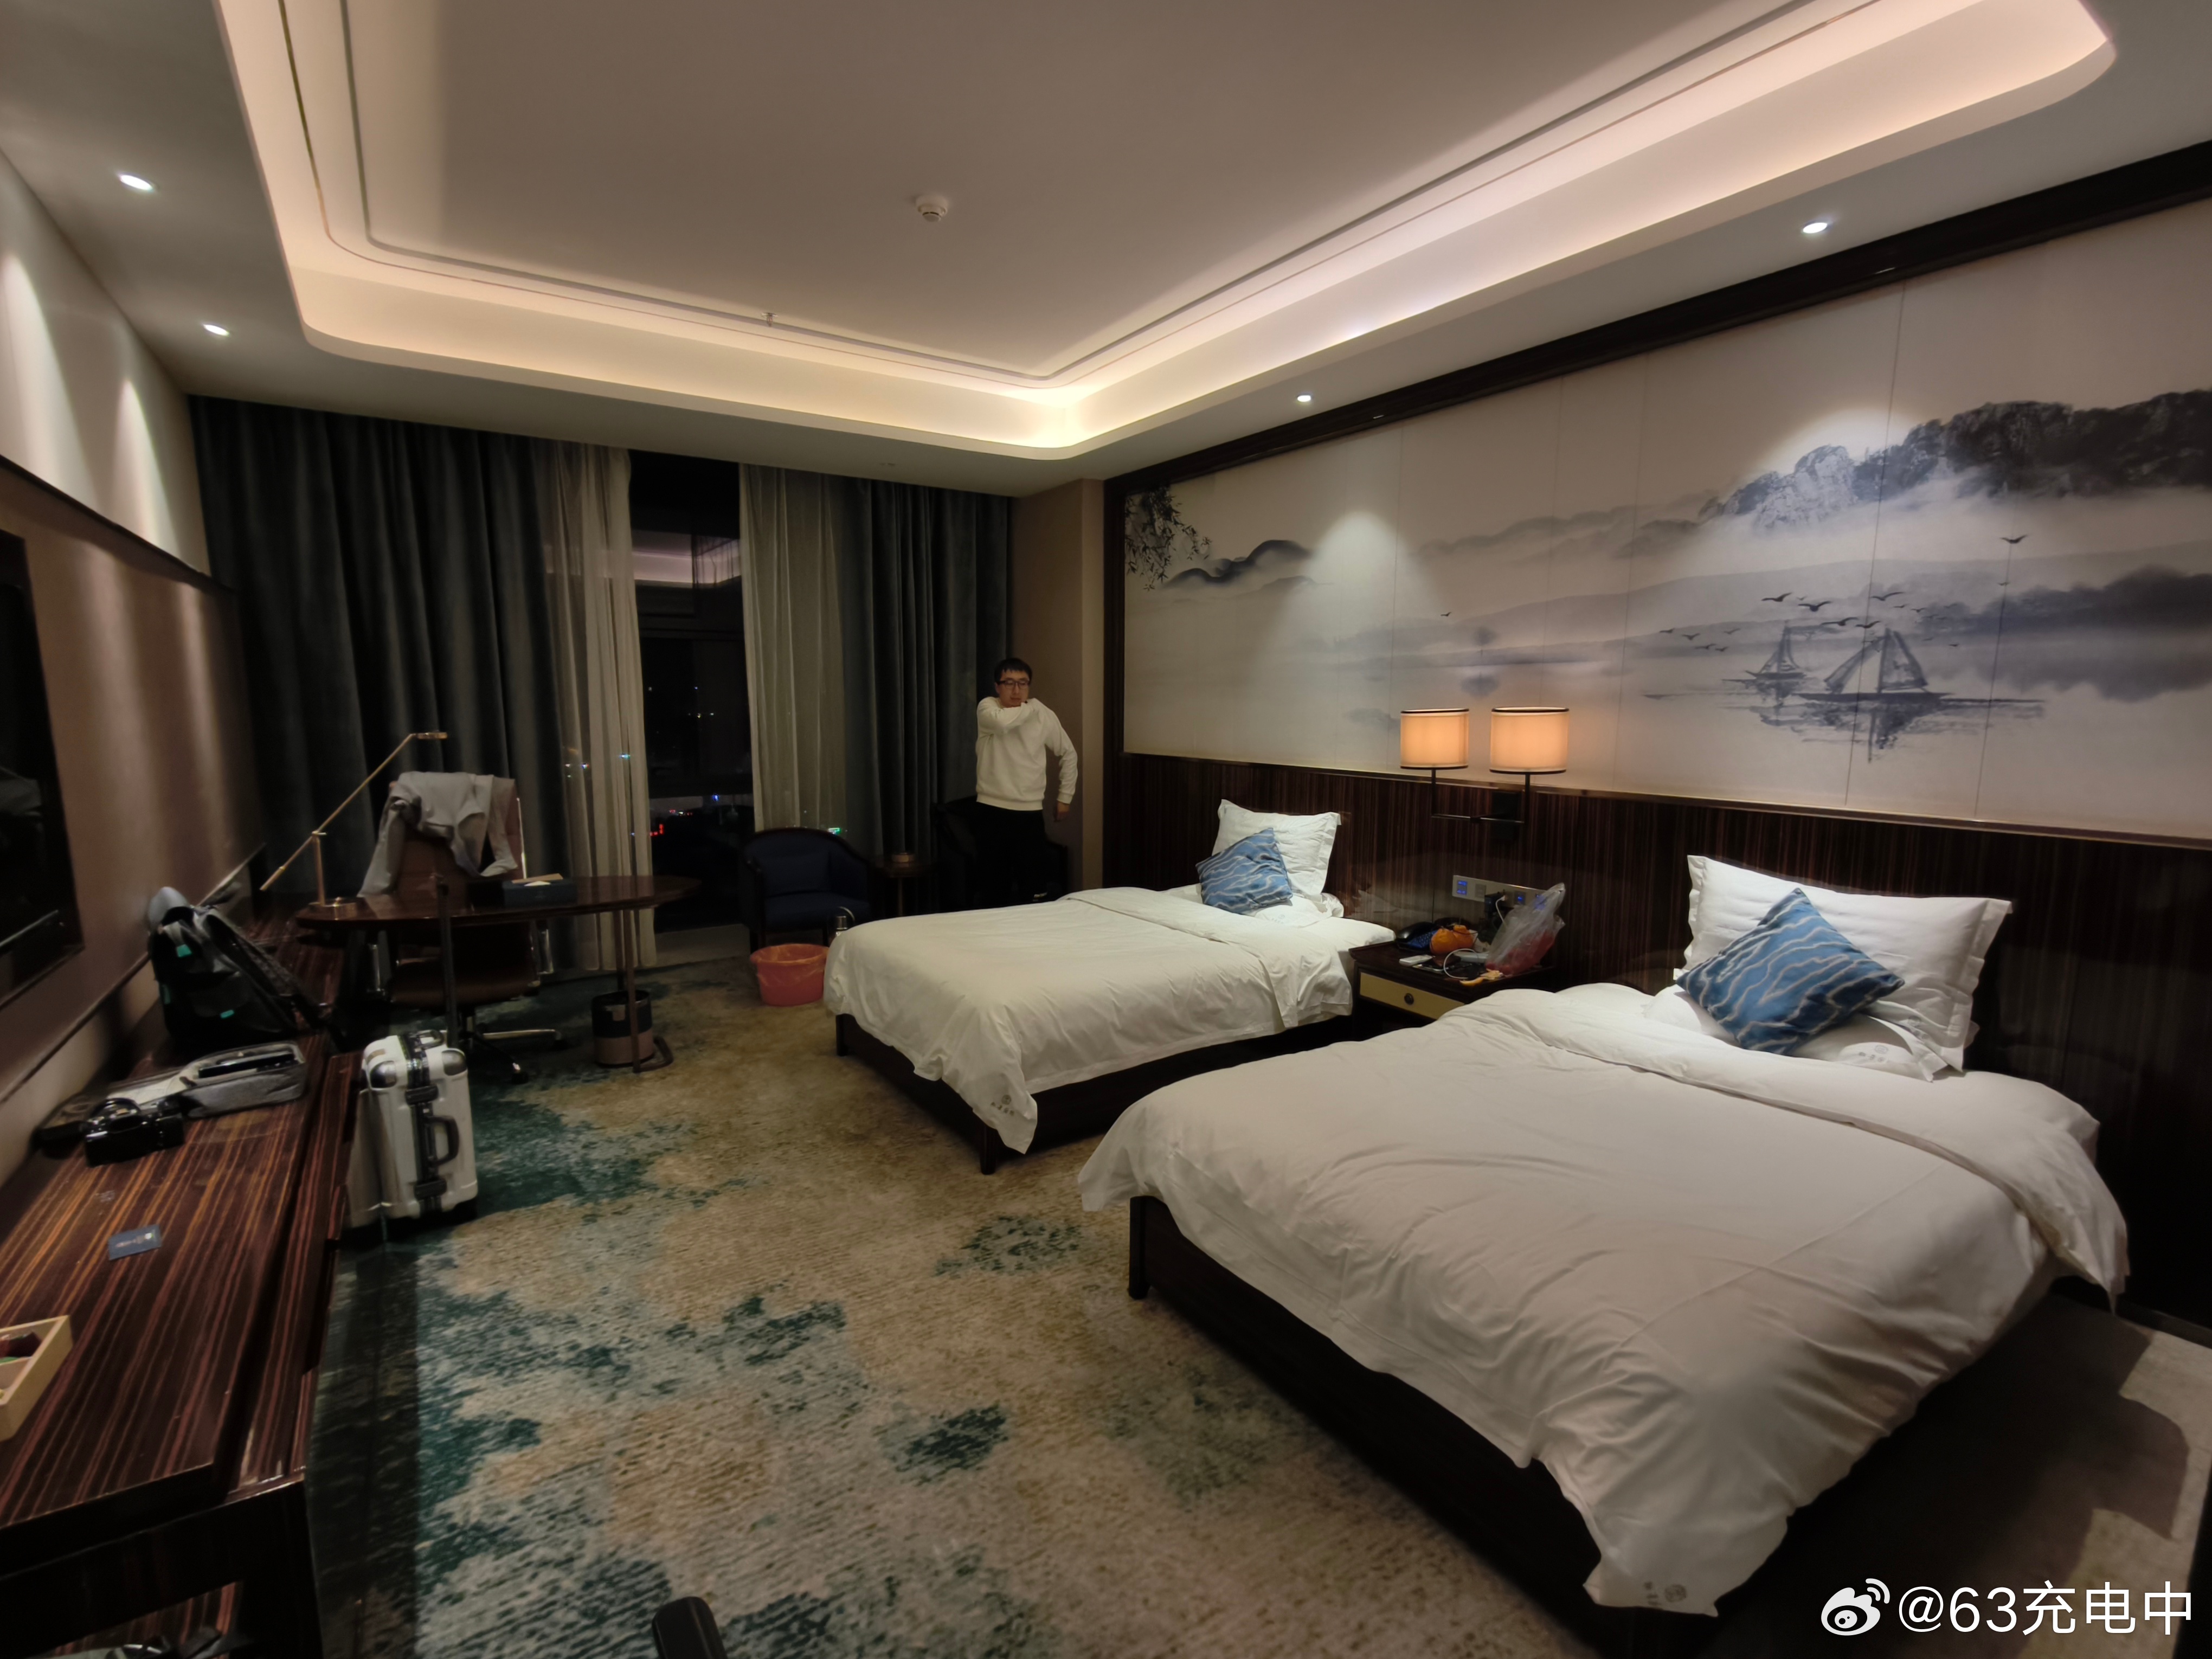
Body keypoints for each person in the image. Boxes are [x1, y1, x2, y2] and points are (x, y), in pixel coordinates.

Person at [973, 657, 1077, 905]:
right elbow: (1003, 723)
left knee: (1034, 890)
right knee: (993, 890)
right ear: (997, 686)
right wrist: (1032, 707)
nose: (1017, 690)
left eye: (1023, 683)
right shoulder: (988, 708)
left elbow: (1068, 754)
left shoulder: (1043, 715)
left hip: (1029, 813)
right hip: (991, 811)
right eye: (1009, 683)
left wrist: (1065, 797)